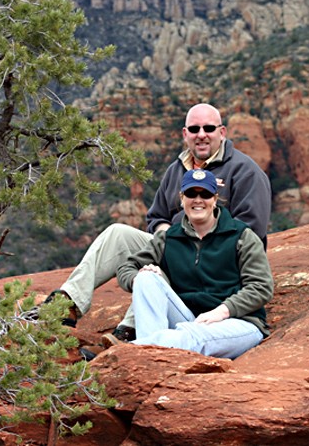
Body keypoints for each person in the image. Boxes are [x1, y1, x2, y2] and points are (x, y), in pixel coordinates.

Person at [45, 103, 272, 344]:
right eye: (194, 129)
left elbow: (251, 229)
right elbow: (156, 217)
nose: (201, 134)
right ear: (185, 134)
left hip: (219, 260)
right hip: (179, 246)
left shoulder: (245, 171)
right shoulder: (176, 169)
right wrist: (170, 241)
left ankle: (130, 330)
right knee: (117, 234)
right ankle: (67, 302)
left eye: (209, 128)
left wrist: (189, 245)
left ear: (222, 132)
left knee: (162, 266)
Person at [101, 169, 273, 359]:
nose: (198, 200)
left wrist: (223, 311)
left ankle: (131, 351)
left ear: (215, 198)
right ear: (182, 199)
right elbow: (127, 267)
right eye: (191, 194)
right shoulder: (169, 237)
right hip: (189, 319)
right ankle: (149, 353)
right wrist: (137, 278)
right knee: (146, 277)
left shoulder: (241, 235)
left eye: (205, 194)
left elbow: (261, 287)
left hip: (236, 322)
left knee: (191, 337)